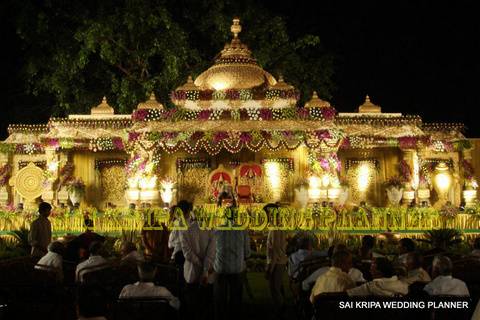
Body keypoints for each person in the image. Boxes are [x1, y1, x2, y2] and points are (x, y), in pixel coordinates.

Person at [179, 200, 216, 318]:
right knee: (206, 305)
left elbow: (187, 254)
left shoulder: (186, 231)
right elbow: (211, 254)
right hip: (207, 275)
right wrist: (205, 269)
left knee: (192, 305)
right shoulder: (211, 231)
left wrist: (199, 264)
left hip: (191, 272)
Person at [213, 205, 250, 320]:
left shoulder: (217, 230)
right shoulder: (242, 230)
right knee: (236, 299)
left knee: (220, 299)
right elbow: (247, 252)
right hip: (236, 268)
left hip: (220, 267)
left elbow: (212, 250)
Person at [265, 203, 288, 314]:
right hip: (280, 261)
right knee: (278, 287)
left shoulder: (275, 227)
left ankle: (281, 310)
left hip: (277, 262)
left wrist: (270, 268)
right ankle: (282, 307)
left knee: (274, 289)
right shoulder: (279, 225)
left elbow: (275, 249)